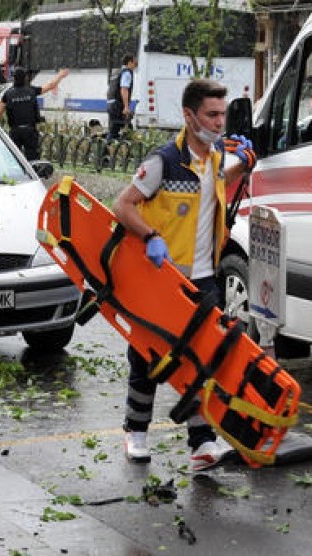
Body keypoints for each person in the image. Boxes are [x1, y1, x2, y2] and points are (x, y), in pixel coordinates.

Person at [112, 78, 257, 471]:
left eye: (223, 114)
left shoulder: (214, 160)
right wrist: (151, 236)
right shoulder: (163, 161)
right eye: (212, 114)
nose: (219, 122)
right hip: (163, 278)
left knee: (202, 360)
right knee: (147, 356)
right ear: (189, 116)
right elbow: (123, 206)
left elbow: (217, 187)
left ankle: (202, 444)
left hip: (204, 278)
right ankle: (136, 433)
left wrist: (244, 160)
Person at [0, 67, 68, 160]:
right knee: (33, 158)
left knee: (14, 158)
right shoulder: (31, 90)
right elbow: (50, 85)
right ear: (25, 78)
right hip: (30, 131)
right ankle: (34, 173)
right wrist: (60, 75)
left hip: (15, 131)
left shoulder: (8, 94)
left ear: (14, 78)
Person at [106, 54, 137, 140]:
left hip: (111, 104)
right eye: (135, 63)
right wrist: (126, 107)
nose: (135, 66)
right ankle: (104, 151)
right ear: (129, 62)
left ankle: (114, 149)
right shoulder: (127, 73)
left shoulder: (116, 72)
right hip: (118, 105)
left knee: (121, 128)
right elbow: (124, 89)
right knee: (116, 131)